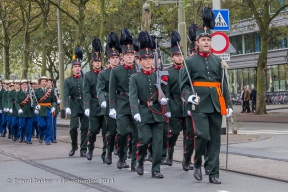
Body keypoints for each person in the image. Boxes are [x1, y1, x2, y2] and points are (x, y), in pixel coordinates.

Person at [180, 7, 232, 184]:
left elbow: (223, 84)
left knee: (215, 140)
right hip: (199, 104)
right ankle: (197, 162)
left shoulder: (218, 61)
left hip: (216, 104)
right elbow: (184, 86)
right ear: (197, 43)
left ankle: (213, 172)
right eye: (203, 40)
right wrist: (189, 97)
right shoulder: (189, 62)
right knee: (202, 135)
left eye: (208, 40)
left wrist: (229, 104)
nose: (206, 43)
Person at [130, 30, 169, 178]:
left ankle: (156, 169)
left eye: (150, 58)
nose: (148, 61)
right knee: (145, 139)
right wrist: (136, 112)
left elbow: (166, 93)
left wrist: (166, 105)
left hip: (158, 112)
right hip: (143, 112)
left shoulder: (159, 74)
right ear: (139, 61)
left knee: (158, 143)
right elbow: (132, 97)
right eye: (145, 59)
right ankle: (139, 161)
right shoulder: (135, 78)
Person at [109, 28, 138, 170]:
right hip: (121, 105)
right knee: (123, 132)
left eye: (132, 54)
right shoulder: (116, 71)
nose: (130, 57)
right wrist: (112, 107)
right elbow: (112, 91)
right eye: (127, 55)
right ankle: (121, 156)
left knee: (136, 133)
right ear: (122, 56)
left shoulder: (138, 69)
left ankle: (134, 162)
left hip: (136, 105)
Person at [97, 32, 120, 165]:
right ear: (108, 60)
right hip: (109, 104)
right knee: (110, 132)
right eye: (113, 57)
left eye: (117, 57)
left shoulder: (123, 71)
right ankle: (107, 152)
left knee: (123, 132)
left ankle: (121, 154)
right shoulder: (103, 74)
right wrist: (103, 100)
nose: (115, 59)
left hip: (122, 104)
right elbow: (100, 89)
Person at [163, 31, 186, 166]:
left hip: (186, 105)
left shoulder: (188, 69)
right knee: (174, 133)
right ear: (172, 58)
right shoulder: (168, 72)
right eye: (177, 55)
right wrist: (167, 108)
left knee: (189, 134)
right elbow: (166, 92)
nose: (179, 58)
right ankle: (169, 154)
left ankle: (186, 158)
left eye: (181, 55)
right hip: (174, 104)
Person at [83, 38, 106, 162]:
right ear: (92, 63)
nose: (98, 63)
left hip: (104, 105)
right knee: (93, 130)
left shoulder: (105, 73)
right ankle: (90, 148)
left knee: (106, 132)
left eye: (99, 61)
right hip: (93, 105)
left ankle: (105, 154)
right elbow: (86, 92)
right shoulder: (88, 76)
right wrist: (86, 107)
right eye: (95, 61)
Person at [64, 46, 88, 157]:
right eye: (75, 66)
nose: (77, 68)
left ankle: (83, 149)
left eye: (79, 66)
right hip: (73, 105)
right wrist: (66, 106)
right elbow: (65, 94)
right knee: (73, 127)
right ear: (72, 68)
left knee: (85, 128)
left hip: (84, 105)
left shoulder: (85, 78)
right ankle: (74, 146)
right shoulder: (68, 80)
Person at [34, 76, 56, 145]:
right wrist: (36, 106)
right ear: (40, 83)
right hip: (40, 109)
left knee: (49, 125)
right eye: (42, 81)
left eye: (45, 81)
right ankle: (41, 135)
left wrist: (54, 107)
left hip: (48, 109)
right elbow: (35, 101)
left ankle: (47, 139)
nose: (44, 83)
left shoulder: (50, 91)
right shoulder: (37, 91)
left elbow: (53, 101)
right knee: (41, 125)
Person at [15, 79, 34, 144]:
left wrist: (35, 106)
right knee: (22, 126)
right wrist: (19, 109)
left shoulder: (31, 92)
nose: (24, 86)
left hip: (30, 112)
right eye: (23, 85)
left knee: (29, 126)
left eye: (25, 85)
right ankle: (22, 136)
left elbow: (34, 101)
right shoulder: (18, 93)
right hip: (22, 112)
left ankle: (28, 139)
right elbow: (17, 103)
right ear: (21, 86)